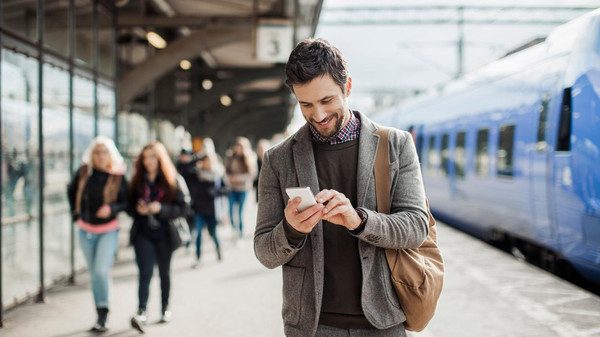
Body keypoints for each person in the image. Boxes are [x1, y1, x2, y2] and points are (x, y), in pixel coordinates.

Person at [253, 38, 429, 337]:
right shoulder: (278, 159)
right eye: (306, 104)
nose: (318, 115)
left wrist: (359, 220)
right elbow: (265, 252)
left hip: (383, 321)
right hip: (311, 325)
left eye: (327, 101)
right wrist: (291, 229)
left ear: (347, 87)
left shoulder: (396, 145)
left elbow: (416, 227)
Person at [67, 136, 128, 333]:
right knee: (94, 274)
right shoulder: (84, 172)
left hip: (108, 230)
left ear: (110, 154)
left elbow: (126, 202)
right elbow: (71, 190)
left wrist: (111, 208)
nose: (101, 156)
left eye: (104, 152)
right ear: (92, 154)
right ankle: (99, 315)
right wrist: (76, 214)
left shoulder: (118, 175)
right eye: (97, 152)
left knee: (101, 270)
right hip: (85, 230)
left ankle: (105, 311)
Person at [128, 141, 190, 333]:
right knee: (145, 272)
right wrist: (138, 209)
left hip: (165, 233)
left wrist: (160, 208)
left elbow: (184, 207)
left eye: (153, 157)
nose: (149, 161)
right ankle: (142, 312)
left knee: (164, 272)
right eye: (145, 157)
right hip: (143, 233)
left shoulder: (173, 179)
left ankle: (165, 308)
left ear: (160, 158)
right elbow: (128, 205)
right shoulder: (138, 180)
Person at [191, 138, 225, 267]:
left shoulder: (217, 175)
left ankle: (218, 249)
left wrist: (215, 192)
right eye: (205, 161)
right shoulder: (196, 174)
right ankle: (198, 257)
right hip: (199, 209)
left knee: (213, 233)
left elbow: (225, 189)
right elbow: (185, 167)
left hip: (212, 210)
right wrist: (199, 155)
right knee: (198, 233)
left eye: (209, 161)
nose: (207, 163)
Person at [224, 137, 256, 238]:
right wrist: (229, 179)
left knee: (240, 212)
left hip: (243, 189)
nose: (238, 149)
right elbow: (226, 172)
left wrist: (237, 178)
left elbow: (252, 174)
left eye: (241, 147)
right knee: (230, 210)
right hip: (232, 189)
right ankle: (234, 228)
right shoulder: (230, 157)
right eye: (237, 147)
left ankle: (241, 232)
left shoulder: (249, 158)